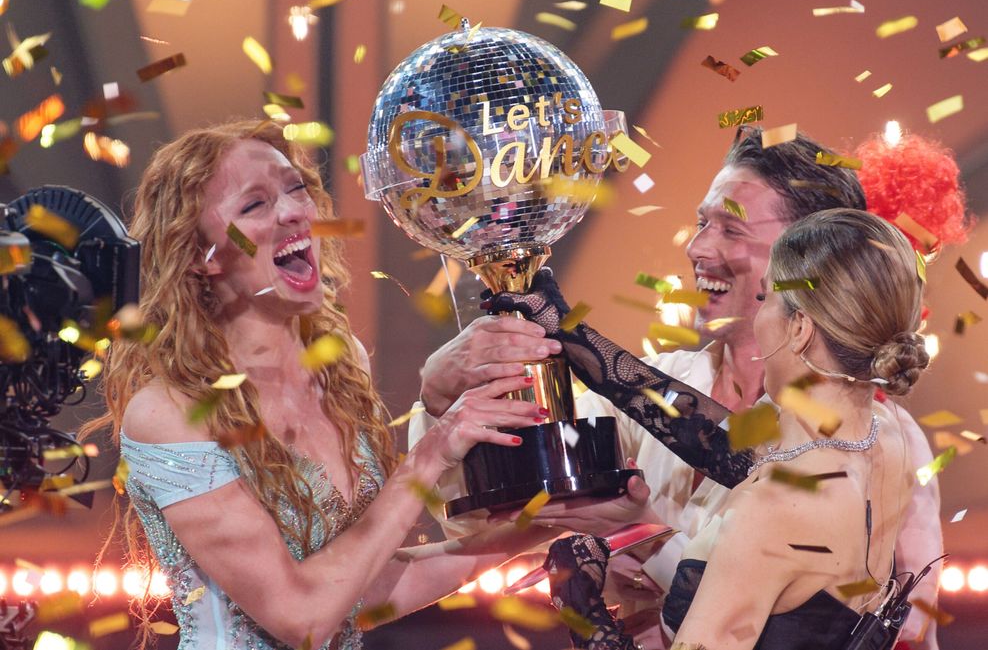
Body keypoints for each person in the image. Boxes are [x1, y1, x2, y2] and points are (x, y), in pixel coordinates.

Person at [409, 127, 942, 648]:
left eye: (731, 229)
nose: (698, 247)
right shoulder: (858, 440)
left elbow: (914, 631)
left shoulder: (823, 472)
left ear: (807, 261)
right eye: (700, 222)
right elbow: (710, 436)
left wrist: (608, 587)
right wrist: (443, 397)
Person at [80, 119, 559, 650]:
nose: (292, 212)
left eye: (295, 188)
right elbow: (301, 616)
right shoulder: (171, 412)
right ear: (201, 256)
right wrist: (430, 454)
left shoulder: (341, 364)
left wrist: (540, 527)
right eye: (253, 206)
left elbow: (357, 590)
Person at [490, 208, 930, 648]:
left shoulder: (771, 510)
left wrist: (581, 603)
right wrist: (571, 334)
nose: (760, 318)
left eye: (765, 299)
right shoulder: (884, 436)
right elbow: (709, 435)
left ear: (799, 329)